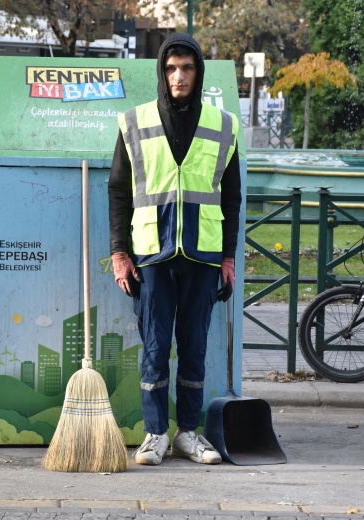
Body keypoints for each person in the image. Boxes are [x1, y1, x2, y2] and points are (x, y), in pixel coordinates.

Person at [107, 33, 242, 466]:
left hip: (203, 254)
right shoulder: (135, 121)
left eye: (186, 68)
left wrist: (228, 256)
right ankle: (153, 434)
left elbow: (232, 195)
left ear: (198, 72)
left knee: (194, 346)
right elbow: (118, 192)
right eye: (170, 68)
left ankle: (188, 432)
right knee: (154, 345)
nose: (178, 76)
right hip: (152, 254)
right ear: (161, 74)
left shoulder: (223, 125)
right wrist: (119, 253)